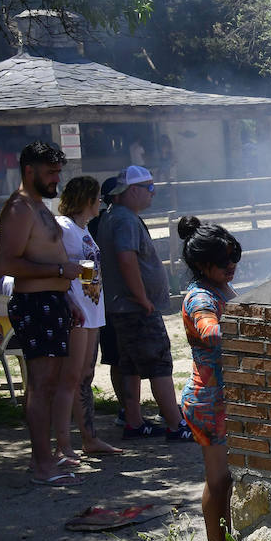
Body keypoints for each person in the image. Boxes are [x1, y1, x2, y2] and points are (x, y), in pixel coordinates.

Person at [0, 142, 84, 485]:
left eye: (58, 171)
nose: (56, 179)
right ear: (29, 170)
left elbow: (47, 255)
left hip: (54, 302)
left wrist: (68, 298)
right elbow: (5, 264)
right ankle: (43, 465)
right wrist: (60, 274)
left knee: (49, 383)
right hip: (35, 304)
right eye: (50, 172)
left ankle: (42, 460)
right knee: (41, 385)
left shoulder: (38, 206)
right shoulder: (18, 209)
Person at [98, 164, 191, 442]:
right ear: (133, 191)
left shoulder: (115, 216)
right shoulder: (125, 219)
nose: (153, 194)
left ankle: (134, 422)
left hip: (122, 306)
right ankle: (176, 425)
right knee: (159, 363)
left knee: (131, 365)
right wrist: (142, 298)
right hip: (135, 307)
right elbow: (126, 259)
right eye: (149, 188)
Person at [178, 216, 242, 541]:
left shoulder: (219, 286)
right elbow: (210, 331)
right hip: (208, 399)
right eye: (224, 261)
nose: (231, 266)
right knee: (218, 482)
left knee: (227, 480)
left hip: (221, 396)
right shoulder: (200, 296)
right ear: (204, 264)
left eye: (234, 258)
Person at [55, 176, 123, 461]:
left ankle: (89, 438)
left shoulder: (83, 229)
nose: (100, 203)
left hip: (92, 309)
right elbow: (54, 262)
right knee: (70, 378)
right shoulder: (63, 226)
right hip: (77, 309)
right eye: (97, 198)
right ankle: (63, 444)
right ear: (86, 200)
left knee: (85, 376)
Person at [90, 177, 132, 424]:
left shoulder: (118, 219)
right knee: (119, 356)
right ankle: (128, 410)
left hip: (110, 300)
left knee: (120, 357)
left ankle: (129, 409)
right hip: (114, 299)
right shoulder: (106, 222)